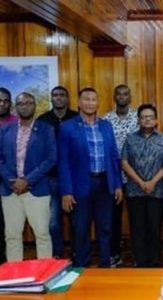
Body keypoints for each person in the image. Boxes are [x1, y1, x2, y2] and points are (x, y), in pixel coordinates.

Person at [59, 87, 123, 267]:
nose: (90, 102)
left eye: (93, 99)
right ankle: (81, 267)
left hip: (104, 184)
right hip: (80, 186)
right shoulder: (67, 127)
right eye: (86, 99)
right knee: (80, 229)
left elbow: (114, 157)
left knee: (105, 228)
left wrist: (117, 184)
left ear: (97, 103)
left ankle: (105, 265)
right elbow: (63, 161)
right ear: (79, 103)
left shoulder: (106, 125)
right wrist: (66, 191)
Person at [0, 92, 56, 261]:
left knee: (42, 235)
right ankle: (15, 278)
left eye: (29, 103)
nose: (25, 106)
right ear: (15, 107)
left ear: (35, 106)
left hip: (37, 190)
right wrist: (12, 181)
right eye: (21, 103)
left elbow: (51, 158)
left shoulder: (47, 129)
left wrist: (27, 180)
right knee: (12, 236)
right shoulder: (4, 130)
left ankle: (44, 276)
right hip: (11, 191)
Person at [121, 103, 163, 267]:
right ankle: (140, 262)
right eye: (143, 117)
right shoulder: (130, 139)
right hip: (135, 191)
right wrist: (142, 182)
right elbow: (125, 163)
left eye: (150, 117)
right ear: (139, 121)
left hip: (157, 191)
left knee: (155, 228)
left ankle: (154, 262)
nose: (147, 120)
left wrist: (152, 182)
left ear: (156, 120)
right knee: (137, 229)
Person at [38, 86, 78, 258]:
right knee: (53, 222)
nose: (59, 98)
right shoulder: (43, 120)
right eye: (55, 95)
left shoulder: (76, 118)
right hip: (51, 178)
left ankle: (78, 255)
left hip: (74, 177)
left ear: (67, 99)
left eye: (62, 95)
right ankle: (58, 256)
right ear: (51, 99)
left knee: (77, 221)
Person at [104, 84, 138, 267]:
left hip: (135, 178)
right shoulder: (106, 119)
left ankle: (137, 254)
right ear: (114, 97)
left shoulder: (137, 118)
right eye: (119, 94)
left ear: (130, 97)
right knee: (113, 218)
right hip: (113, 178)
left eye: (126, 94)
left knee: (136, 218)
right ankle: (114, 254)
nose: (122, 97)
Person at [0, 87, 18, 263]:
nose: (2, 103)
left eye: (6, 100)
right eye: (0, 100)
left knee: (9, 227)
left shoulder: (17, 123)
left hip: (10, 183)